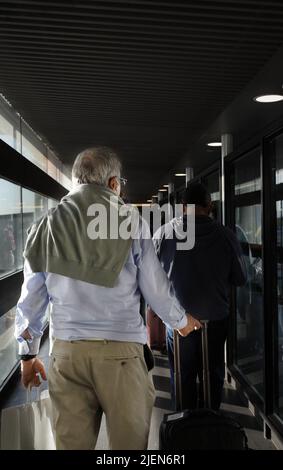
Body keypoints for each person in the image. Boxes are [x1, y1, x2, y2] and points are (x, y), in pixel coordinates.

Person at [15, 146, 201, 450]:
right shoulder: (131, 222)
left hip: (66, 355)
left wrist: (27, 354)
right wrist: (180, 322)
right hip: (121, 355)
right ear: (114, 184)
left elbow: (31, 298)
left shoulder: (44, 225)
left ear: (76, 181)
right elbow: (155, 287)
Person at [153, 182, 247, 410]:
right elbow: (240, 277)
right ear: (210, 206)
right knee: (213, 374)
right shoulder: (226, 236)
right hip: (215, 320)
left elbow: (150, 278)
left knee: (181, 376)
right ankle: (211, 423)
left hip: (178, 321)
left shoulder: (164, 233)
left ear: (183, 206)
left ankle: (183, 428)